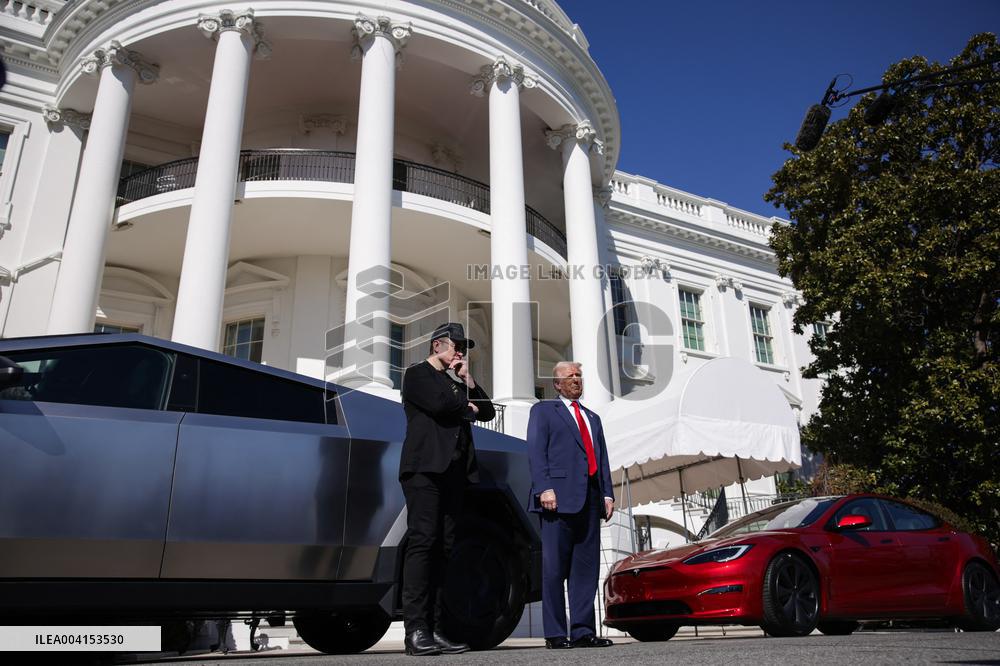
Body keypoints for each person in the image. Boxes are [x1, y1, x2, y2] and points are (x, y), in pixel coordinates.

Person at [399, 322, 496, 656]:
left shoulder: (454, 382)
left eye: (463, 348)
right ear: (437, 344)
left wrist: (467, 381)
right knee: (423, 543)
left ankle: (436, 629)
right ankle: (415, 630)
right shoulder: (416, 375)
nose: (460, 352)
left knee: (445, 549)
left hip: (455, 475)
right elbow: (441, 406)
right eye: (456, 346)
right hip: (424, 470)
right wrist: (463, 406)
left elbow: (487, 410)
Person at [527, 361, 615, 649]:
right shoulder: (543, 411)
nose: (576, 380)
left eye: (579, 375)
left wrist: (607, 494)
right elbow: (536, 450)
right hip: (557, 498)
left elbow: (601, 459)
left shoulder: (593, 417)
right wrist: (544, 488)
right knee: (554, 569)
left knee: (585, 571)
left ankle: (582, 631)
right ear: (557, 384)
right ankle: (555, 633)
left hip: (590, 500)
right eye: (570, 376)